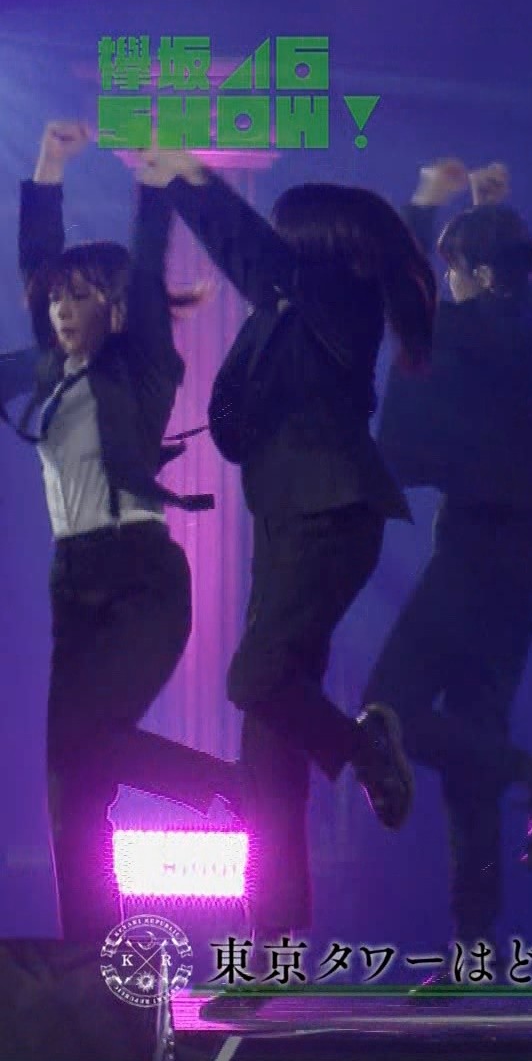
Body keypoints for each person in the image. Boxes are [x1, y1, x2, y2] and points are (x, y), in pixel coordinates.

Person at [147, 147, 428, 950]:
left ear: (319, 240)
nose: (274, 241)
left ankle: (365, 746)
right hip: (287, 519)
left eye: (286, 231)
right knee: (268, 731)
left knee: (254, 680)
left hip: (331, 515)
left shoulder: (338, 295)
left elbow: (254, 256)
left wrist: (187, 179)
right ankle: (273, 940)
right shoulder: (288, 314)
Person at [367, 158, 532, 987]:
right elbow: (492, 288)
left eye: (455, 270)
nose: (446, 285)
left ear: (476, 274)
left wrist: (425, 204)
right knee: (473, 738)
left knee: (387, 709)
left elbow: (402, 297)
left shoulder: (464, 331)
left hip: (476, 547)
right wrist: (485, 213)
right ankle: (475, 945)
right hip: (526, 549)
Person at [6, 120, 239, 943]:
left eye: (79, 298)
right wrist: (48, 165)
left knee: (94, 745)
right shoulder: (54, 371)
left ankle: (228, 787)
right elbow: (38, 266)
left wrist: (151, 187)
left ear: (113, 305)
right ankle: (91, 959)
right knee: (71, 786)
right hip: (73, 582)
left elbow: (145, 270)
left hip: (140, 577)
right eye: (55, 300)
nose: (60, 310)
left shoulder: (141, 365)